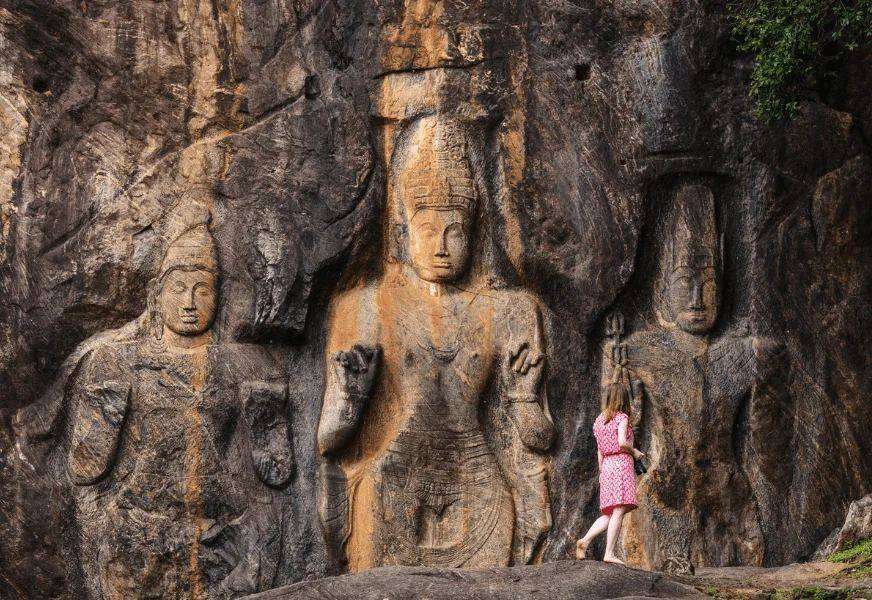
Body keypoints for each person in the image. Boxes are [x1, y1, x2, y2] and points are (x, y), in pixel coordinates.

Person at [576, 380, 643, 565]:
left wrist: (601, 471)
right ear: (623, 399)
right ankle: (609, 553)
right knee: (619, 509)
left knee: (610, 512)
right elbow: (622, 442)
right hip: (621, 464)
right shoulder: (622, 417)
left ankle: (585, 541)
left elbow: (599, 450)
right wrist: (635, 451)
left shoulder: (599, 420)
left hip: (606, 466)